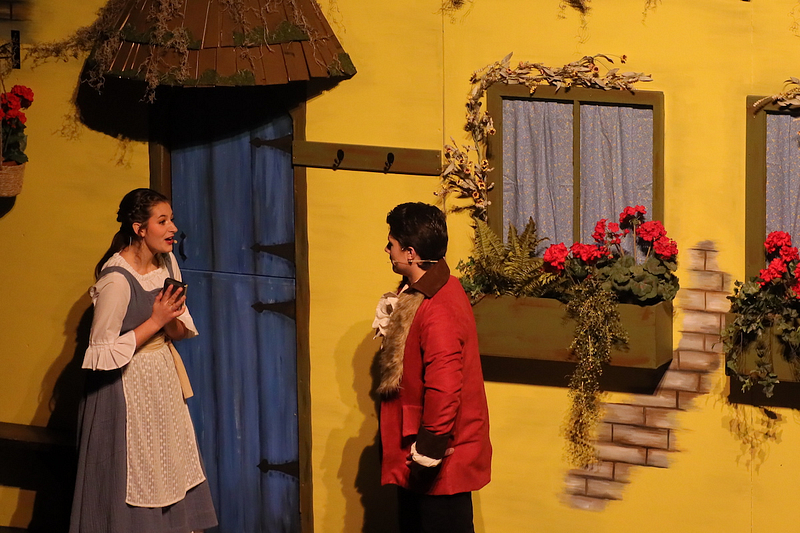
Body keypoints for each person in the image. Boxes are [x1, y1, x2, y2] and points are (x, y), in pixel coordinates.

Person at [69, 188, 217, 533]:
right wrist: (155, 319)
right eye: (162, 221)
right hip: (123, 387)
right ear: (139, 228)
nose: (173, 228)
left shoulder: (167, 262)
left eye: (171, 220)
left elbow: (178, 329)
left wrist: (170, 318)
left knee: (167, 462)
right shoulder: (116, 280)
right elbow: (101, 352)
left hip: (161, 379)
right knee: (134, 472)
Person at [373, 202, 491, 533]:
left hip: (436, 462)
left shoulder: (439, 309)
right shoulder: (428, 290)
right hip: (420, 453)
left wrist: (427, 451)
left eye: (392, 244)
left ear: (410, 253)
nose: (387, 250)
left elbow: (445, 388)